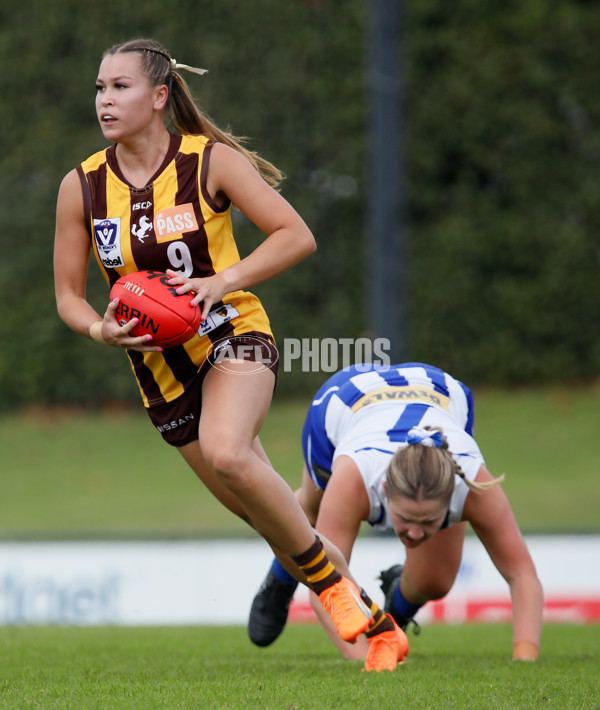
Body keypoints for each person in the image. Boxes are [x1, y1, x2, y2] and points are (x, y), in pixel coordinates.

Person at [53, 38, 408, 672]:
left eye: (120, 87)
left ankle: (327, 589)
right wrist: (99, 332)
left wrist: (223, 281)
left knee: (227, 451)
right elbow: (68, 298)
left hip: (232, 334)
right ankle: (376, 632)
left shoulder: (209, 162)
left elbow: (296, 235)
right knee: (270, 514)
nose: (105, 100)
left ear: (160, 97)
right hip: (160, 375)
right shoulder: (80, 187)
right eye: (100, 89)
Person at [248, 362, 544, 662]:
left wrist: (525, 657)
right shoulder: (354, 480)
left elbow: (522, 574)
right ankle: (281, 576)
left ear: (451, 495)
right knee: (309, 513)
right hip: (346, 400)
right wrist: (371, 661)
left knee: (435, 581)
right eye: (406, 519)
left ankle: (394, 611)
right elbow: (326, 586)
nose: (414, 533)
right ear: (386, 489)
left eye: (428, 521)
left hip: (440, 391)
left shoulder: (472, 483)